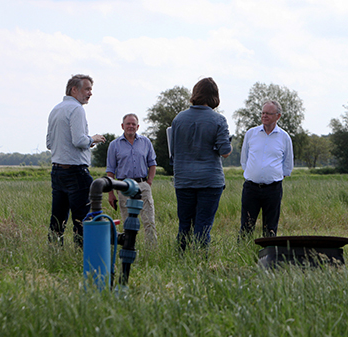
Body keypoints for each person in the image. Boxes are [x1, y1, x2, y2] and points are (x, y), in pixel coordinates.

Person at [170, 77, 232, 252]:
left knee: (184, 224)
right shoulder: (219, 120)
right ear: (214, 96)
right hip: (210, 180)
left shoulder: (178, 119)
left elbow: (173, 151)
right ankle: (199, 259)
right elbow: (225, 151)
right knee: (203, 224)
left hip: (183, 179)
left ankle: (181, 257)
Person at [46, 74, 105, 247]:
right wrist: (92, 138)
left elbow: (49, 143)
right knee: (83, 218)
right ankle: (83, 253)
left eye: (90, 90)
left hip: (57, 171)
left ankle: (55, 251)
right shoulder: (77, 109)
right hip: (76, 172)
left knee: (58, 218)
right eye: (87, 89)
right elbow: (79, 140)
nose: (90, 93)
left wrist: (85, 143)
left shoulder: (55, 109)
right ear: (74, 90)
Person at [239, 100, 294, 238]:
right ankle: (243, 253)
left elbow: (287, 163)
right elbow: (244, 159)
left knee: (270, 227)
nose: (264, 116)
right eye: (263, 113)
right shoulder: (251, 134)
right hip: (251, 188)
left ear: (278, 116)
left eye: (268, 113)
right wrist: (252, 173)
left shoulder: (284, 137)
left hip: (273, 189)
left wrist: (273, 176)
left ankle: (269, 255)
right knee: (246, 225)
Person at [106, 113, 158, 248]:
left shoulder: (145, 142)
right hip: (123, 186)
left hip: (142, 184)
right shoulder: (114, 145)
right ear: (122, 126)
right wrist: (111, 193)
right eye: (128, 124)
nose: (130, 126)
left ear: (138, 126)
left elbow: (152, 163)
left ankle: (151, 250)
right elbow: (110, 171)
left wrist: (149, 182)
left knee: (149, 221)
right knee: (128, 222)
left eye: (133, 124)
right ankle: (130, 248)